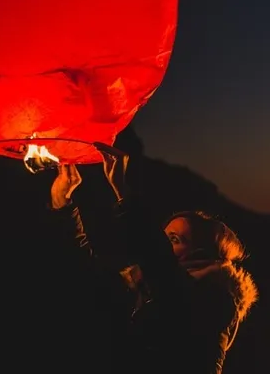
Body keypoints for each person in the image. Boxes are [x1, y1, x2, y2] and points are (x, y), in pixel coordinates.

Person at [48, 144, 258, 373]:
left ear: (201, 254)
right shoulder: (139, 290)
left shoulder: (214, 301)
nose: (165, 245)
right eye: (165, 237)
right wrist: (63, 205)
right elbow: (84, 272)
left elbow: (163, 269)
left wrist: (123, 193)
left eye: (175, 240)